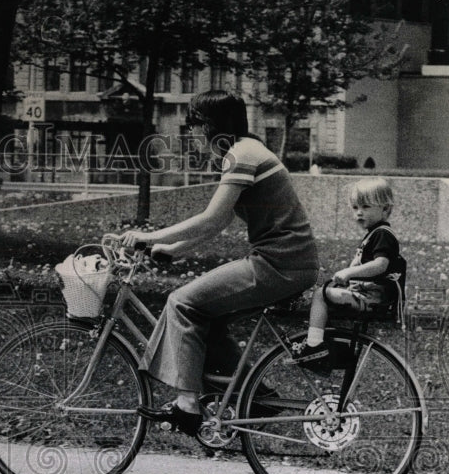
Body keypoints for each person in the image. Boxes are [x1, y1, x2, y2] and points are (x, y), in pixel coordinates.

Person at [120, 90, 320, 437]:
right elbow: (223, 221)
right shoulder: (244, 150)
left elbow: (211, 219)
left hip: (279, 264)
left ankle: (186, 405)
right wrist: (174, 249)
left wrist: (149, 237)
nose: (190, 133)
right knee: (206, 318)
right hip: (287, 261)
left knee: (182, 303)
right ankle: (255, 398)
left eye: (192, 125)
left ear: (209, 125)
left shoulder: (241, 155)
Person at [287, 177, 405, 370]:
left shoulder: (382, 234)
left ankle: (313, 346)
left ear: (385, 209)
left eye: (365, 207)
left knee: (320, 295)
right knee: (324, 293)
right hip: (369, 295)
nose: (359, 213)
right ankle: (328, 349)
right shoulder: (375, 234)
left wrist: (349, 272)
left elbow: (381, 264)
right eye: (355, 207)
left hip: (371, 298)